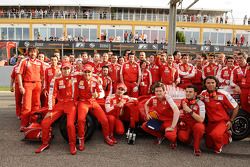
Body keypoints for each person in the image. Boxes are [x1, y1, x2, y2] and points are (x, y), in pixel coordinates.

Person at [35, 61, 78, 155]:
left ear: (70, 69)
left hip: (71, 104)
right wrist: (50, 110)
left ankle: (72, 144)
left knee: (70, 125)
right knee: (45, 122)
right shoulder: (56, 79)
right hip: (60, 104)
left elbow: (89, 74)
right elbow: (52, 95)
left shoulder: (75, 77)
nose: (66, 71)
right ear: (61, 70)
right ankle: (45, 143)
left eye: (68, 69)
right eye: (64, 69)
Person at [77, 64, 114, 151]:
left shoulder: (96, 80)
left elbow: (102, 93)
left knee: (104, 119)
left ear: (92, 72)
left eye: (89, 72)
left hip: (93, 101)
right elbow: (71, 73)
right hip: (83, 102)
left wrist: (98, 94)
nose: (87, 74)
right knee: (81, 120)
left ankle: (106, 136)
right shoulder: (78, 78)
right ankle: (81, 139)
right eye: (85, 72)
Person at [200, 76, 239, 153]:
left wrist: (231, 121)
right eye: (208, 83)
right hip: (211, 122)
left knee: (215, 136)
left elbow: (236, 107)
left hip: (222, 121)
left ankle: (223, 142)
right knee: (208, 144)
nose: (210, 84)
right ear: (205, 84)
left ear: (216, 84)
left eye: (212, 83)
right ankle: (226, 134)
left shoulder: (224, 94)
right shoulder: (203, 93)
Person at [141, 82, 180, 148]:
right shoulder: (154, 98)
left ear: (164, 91)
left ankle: (174, 140)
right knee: (145, 126)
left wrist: (172, 127)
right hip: (159, 121)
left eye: (160, 91)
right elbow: (146, 104)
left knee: (170, 136)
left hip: (169, 121)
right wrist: (147, 113)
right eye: (156, 91)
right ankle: (160, 136)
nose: (158, 93)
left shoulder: (168, 98)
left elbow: (177, 111)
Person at [17, 46, 44, 130]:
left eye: (34, 52)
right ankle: (24, 125)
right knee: (26, 106)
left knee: (36, 105)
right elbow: (19, 74)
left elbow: (43, 75)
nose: (33, 53)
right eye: (31, 52)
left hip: (37, 84)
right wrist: (21, 86)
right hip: (27, 84)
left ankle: (34, 123)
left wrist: (41, 84)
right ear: (28, 53)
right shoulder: (24, 61)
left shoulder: (40, 62)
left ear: (37, 53)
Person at [177, 85, 205, 156]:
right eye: (186, 92)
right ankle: (190, 138)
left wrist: (189, 110)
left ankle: (196, 147)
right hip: (186, 125)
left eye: (190, 92)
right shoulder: (183, 100)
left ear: (195, 93)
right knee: (183, 138)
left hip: (196, 124)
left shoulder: (201, 103)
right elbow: (177, 109)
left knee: (199, 127)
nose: (188, 93)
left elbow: (201, 120)